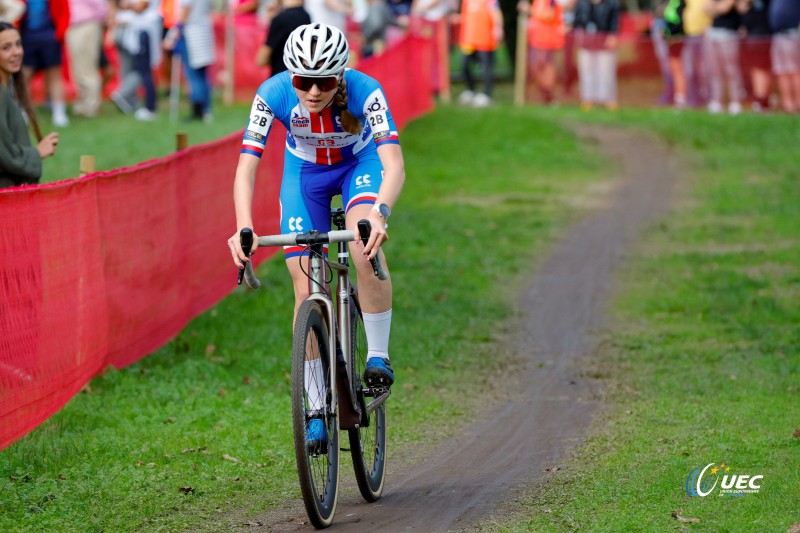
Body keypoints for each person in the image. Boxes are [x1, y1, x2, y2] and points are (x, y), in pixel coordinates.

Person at [229, 23, 405, 446]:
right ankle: (313, 407)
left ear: (339, 76)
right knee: (305, 281)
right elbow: (246, 168)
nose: (311, 91)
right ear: (289, 76)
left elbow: (394, 165)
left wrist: (379, 214)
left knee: (364, 248)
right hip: (304, 176)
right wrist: (243, 227)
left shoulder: (366, 90)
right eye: (302, 81)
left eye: (323, 81)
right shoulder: (272, 94)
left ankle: (378, 356)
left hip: (358, 167)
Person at [0, 21, 59, 188]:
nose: (16, 52)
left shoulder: (6, 90)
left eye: (18, 45)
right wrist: (37, 152)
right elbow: (3, 152)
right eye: (6, 48)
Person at [19, 0, 71, 127]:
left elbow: (64, 12)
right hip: (27, 38)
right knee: (24, 76)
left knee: (54, 75)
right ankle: (23, 112)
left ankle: (59, 113)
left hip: (50, 36)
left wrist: (59, 34)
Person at [108, 0, 162, 121]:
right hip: (138, 31)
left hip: (145, 31)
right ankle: (140, 103)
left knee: (144, 71)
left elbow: (140, 6)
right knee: (141, 70)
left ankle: (150, 107)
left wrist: (126, 5)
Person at [163, 0, 215, 121]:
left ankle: (198, 111)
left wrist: (173, 34)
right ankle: (206, 110)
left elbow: (185, 12)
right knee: (202, 75)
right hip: (204, 31)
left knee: (193, 75)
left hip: (192, 34)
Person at [571, 0, 621, 110]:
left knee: (606, 70)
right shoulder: (582, 4)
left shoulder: (612, 3)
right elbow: (577, 23)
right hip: (587, 43)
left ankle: (607, 98)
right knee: (587, 70)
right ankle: (588, 98)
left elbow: (615, 23)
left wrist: (612, 36)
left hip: (604, 43)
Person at [518, 0, 566, 105]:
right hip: (536, 40)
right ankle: (546, 92)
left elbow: (549, 15)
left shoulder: (551, 1)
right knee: (535, 67)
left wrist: (530, 10)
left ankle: (549, 95)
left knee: (547, 68)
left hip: (548, 41)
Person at [66, 0, 108, 117]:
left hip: (87, 23)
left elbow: (101, 5)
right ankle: (82, 104)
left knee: (87, 67)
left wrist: (100, 19)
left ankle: (91, 106)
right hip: (73, 25)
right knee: (78, 69)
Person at [458, 0, 503, 107]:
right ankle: (471, 89)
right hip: (469, 40)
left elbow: (496, 13)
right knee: (464, 64)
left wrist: (498, 28)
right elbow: (465, 16)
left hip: (484, 39)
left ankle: (487, 94)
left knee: (486, 68)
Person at [703, 0, 744, 114]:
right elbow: (706, 9)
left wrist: (715, 7)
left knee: (731, 69)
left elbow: (724, 8)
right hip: (713, 34)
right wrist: (717, 7)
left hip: (729, 34)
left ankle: (735, 101)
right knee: (715, 70)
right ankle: (717, 101)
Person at [254, 0, 310, 75]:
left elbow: (261, 60)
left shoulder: (281, 19)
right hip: (299, 78)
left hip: (281, 77)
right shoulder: (306, 16)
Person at [737, 0, 772, 112]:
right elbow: (741, 8)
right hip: (751, 36)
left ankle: (762, 100)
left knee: (761, 68)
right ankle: (758, 98)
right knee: (754, 68)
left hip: (762, 35)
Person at [768, 0, 800, 113]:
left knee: (795, 71)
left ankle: (797, 103)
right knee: (781, 71)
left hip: (792, 34)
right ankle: (788, 105)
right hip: (777, 35)